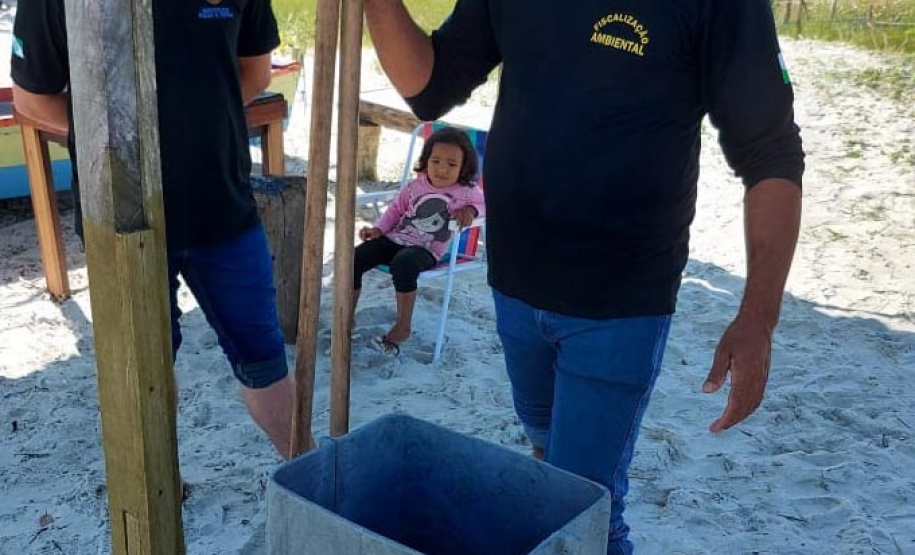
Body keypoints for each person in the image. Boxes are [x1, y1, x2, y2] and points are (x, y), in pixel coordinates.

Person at [364, 0, 805, 552]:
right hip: (516, 284)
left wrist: (758, 316)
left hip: (619, 301)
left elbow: (770, 153)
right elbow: (430, 85)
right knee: (549, 463)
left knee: (587, 511)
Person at [12, 0, 297, 459]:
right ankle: (165, 484)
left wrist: (195, 121)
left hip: (221, 203)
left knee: (263, 354)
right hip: (122, 217)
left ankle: (308, 473)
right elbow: (32, 99)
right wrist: (126, 133)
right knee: (146, 367)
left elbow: (256, 71)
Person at [354, 126, 485, 355]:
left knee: (403, 263)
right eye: (436, 161)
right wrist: (378, 229)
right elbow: (395, 210)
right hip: (397, 238)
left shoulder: (467, 191)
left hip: (427, 249)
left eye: (452, 164)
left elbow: (487, 204)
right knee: (355, 256)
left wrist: (471, 211)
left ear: (464, 167)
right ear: (427, 160)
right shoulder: (415, 186)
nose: (442, 169)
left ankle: (403, 325)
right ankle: (347, 314)